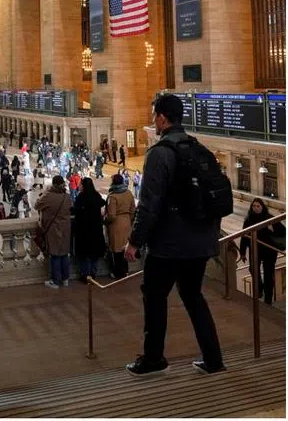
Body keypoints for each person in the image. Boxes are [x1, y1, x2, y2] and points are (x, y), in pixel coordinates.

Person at [124, 94, 224, 376]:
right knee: (193, 297)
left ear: (162, 118)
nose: (153, 120)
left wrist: (134, 241)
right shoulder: (198, 147)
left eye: (154, 115)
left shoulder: (160, 153)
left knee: (155, 297)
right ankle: (213, 360)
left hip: (168, 245)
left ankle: (154, 359)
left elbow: (149, 204)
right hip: (200, 241)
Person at [239, 197, 285, 306]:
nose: (255, 208)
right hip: (255, 250)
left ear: (262, 207)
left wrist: (272, 230)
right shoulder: (249, 219)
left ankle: (268, 299)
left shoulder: (270, 218)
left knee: (268, 274)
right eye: (253, 206)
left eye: (258, 206)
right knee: (253, 269)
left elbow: (283, 232)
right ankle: (259, 289)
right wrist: (242, 252)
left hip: (269, 251)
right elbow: (244, 236)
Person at [35, 175, 72, 288]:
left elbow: (36, 205)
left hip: (53, 229)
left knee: (55, 255)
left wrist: (45, 192)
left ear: (53, 184)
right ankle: (65, 279)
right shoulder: (67, 196)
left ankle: (55, 281)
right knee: (64, 254)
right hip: (65, 228)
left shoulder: (48, 196)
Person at [73, 177, 107, 282]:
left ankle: (85, 275)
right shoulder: (96, 195)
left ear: (83, 186)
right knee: (94, 254)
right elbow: (103, 203)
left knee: (84, 254)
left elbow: (75, 210)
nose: (79, 186)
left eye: (81, 184)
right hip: (96, 230)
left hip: (83, 230)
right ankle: (93, 273)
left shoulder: (81, 197)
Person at [104, 174, 135, 279]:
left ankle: (118, 273)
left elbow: (111, 216)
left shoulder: (112, 196)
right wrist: (129, 220)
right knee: (125, 249)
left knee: (116, 251)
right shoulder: (129, 193)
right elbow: (133, 210)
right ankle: (126, 270)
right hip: (127, 223)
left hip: (116, 226)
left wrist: (105, 220)